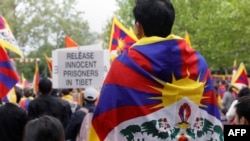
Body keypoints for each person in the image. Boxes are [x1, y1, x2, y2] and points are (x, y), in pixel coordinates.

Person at [90, 0, 223, 140]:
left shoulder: (124, 65)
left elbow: (104, 118)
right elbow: (211, 115)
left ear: (138, 27)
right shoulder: (199, 63)